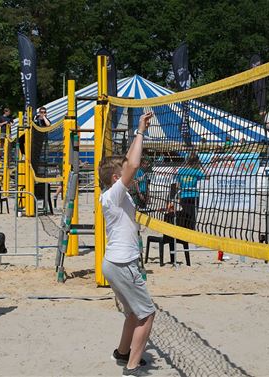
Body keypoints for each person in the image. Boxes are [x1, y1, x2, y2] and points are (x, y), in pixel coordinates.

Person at [99, 112, 156, 377]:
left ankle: (122, 353)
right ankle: (133, 367)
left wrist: (140, 129)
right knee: (146, 314)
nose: (129, 174)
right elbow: (132, 166)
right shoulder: (113, 194)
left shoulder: (112, 196)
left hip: (116, 262)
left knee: (133, 312)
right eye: (122, 173)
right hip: (122, 263)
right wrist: (140, 133)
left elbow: (130, 165)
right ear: (115, 179)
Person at [176, 152, 206, 231]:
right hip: (194, 196)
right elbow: (207, 177)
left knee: (185, 215)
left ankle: (185, 231)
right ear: (196, 162)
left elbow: (177, 186)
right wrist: (202, 166)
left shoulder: (180, 171)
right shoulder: (196, 172)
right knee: (193, 216)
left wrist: (179, 197)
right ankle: (191, 231)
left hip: (183, 196)